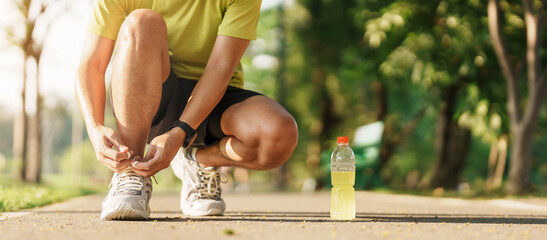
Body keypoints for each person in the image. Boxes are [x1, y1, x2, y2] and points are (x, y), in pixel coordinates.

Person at [75, 0, 298, 221]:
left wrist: (181, 131)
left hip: (212, 94)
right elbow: (92, 64)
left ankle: (199, 159)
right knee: (142, 21)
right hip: (150, 92)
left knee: (278, 134)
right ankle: (129, 174)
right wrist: (94, 128)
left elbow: (220, 66)